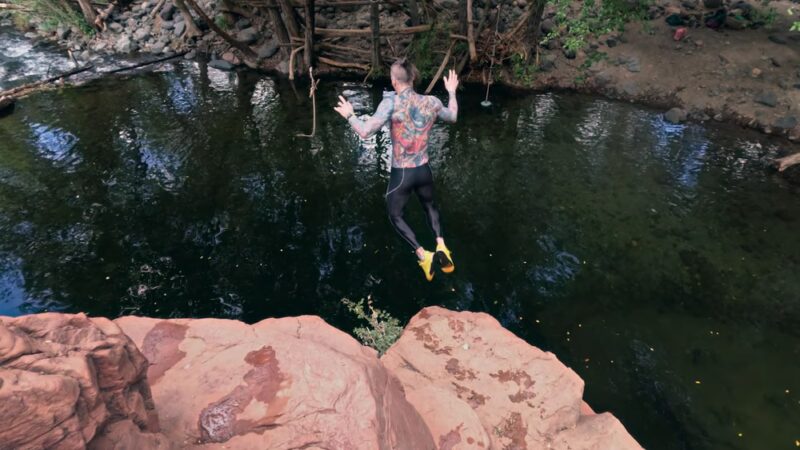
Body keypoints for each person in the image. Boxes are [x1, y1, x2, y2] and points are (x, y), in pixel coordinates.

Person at [334, 59, 459, 281]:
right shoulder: (431, 102)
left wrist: (350, 115)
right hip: (424, 169)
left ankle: (423, 255)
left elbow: (365, 132)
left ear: (393, 81)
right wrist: (451, 92)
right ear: (413, 78)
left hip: (402, 173)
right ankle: (441, 245)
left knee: (395, 215)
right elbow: (453, 116)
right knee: (429, 205)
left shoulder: (390, 103)